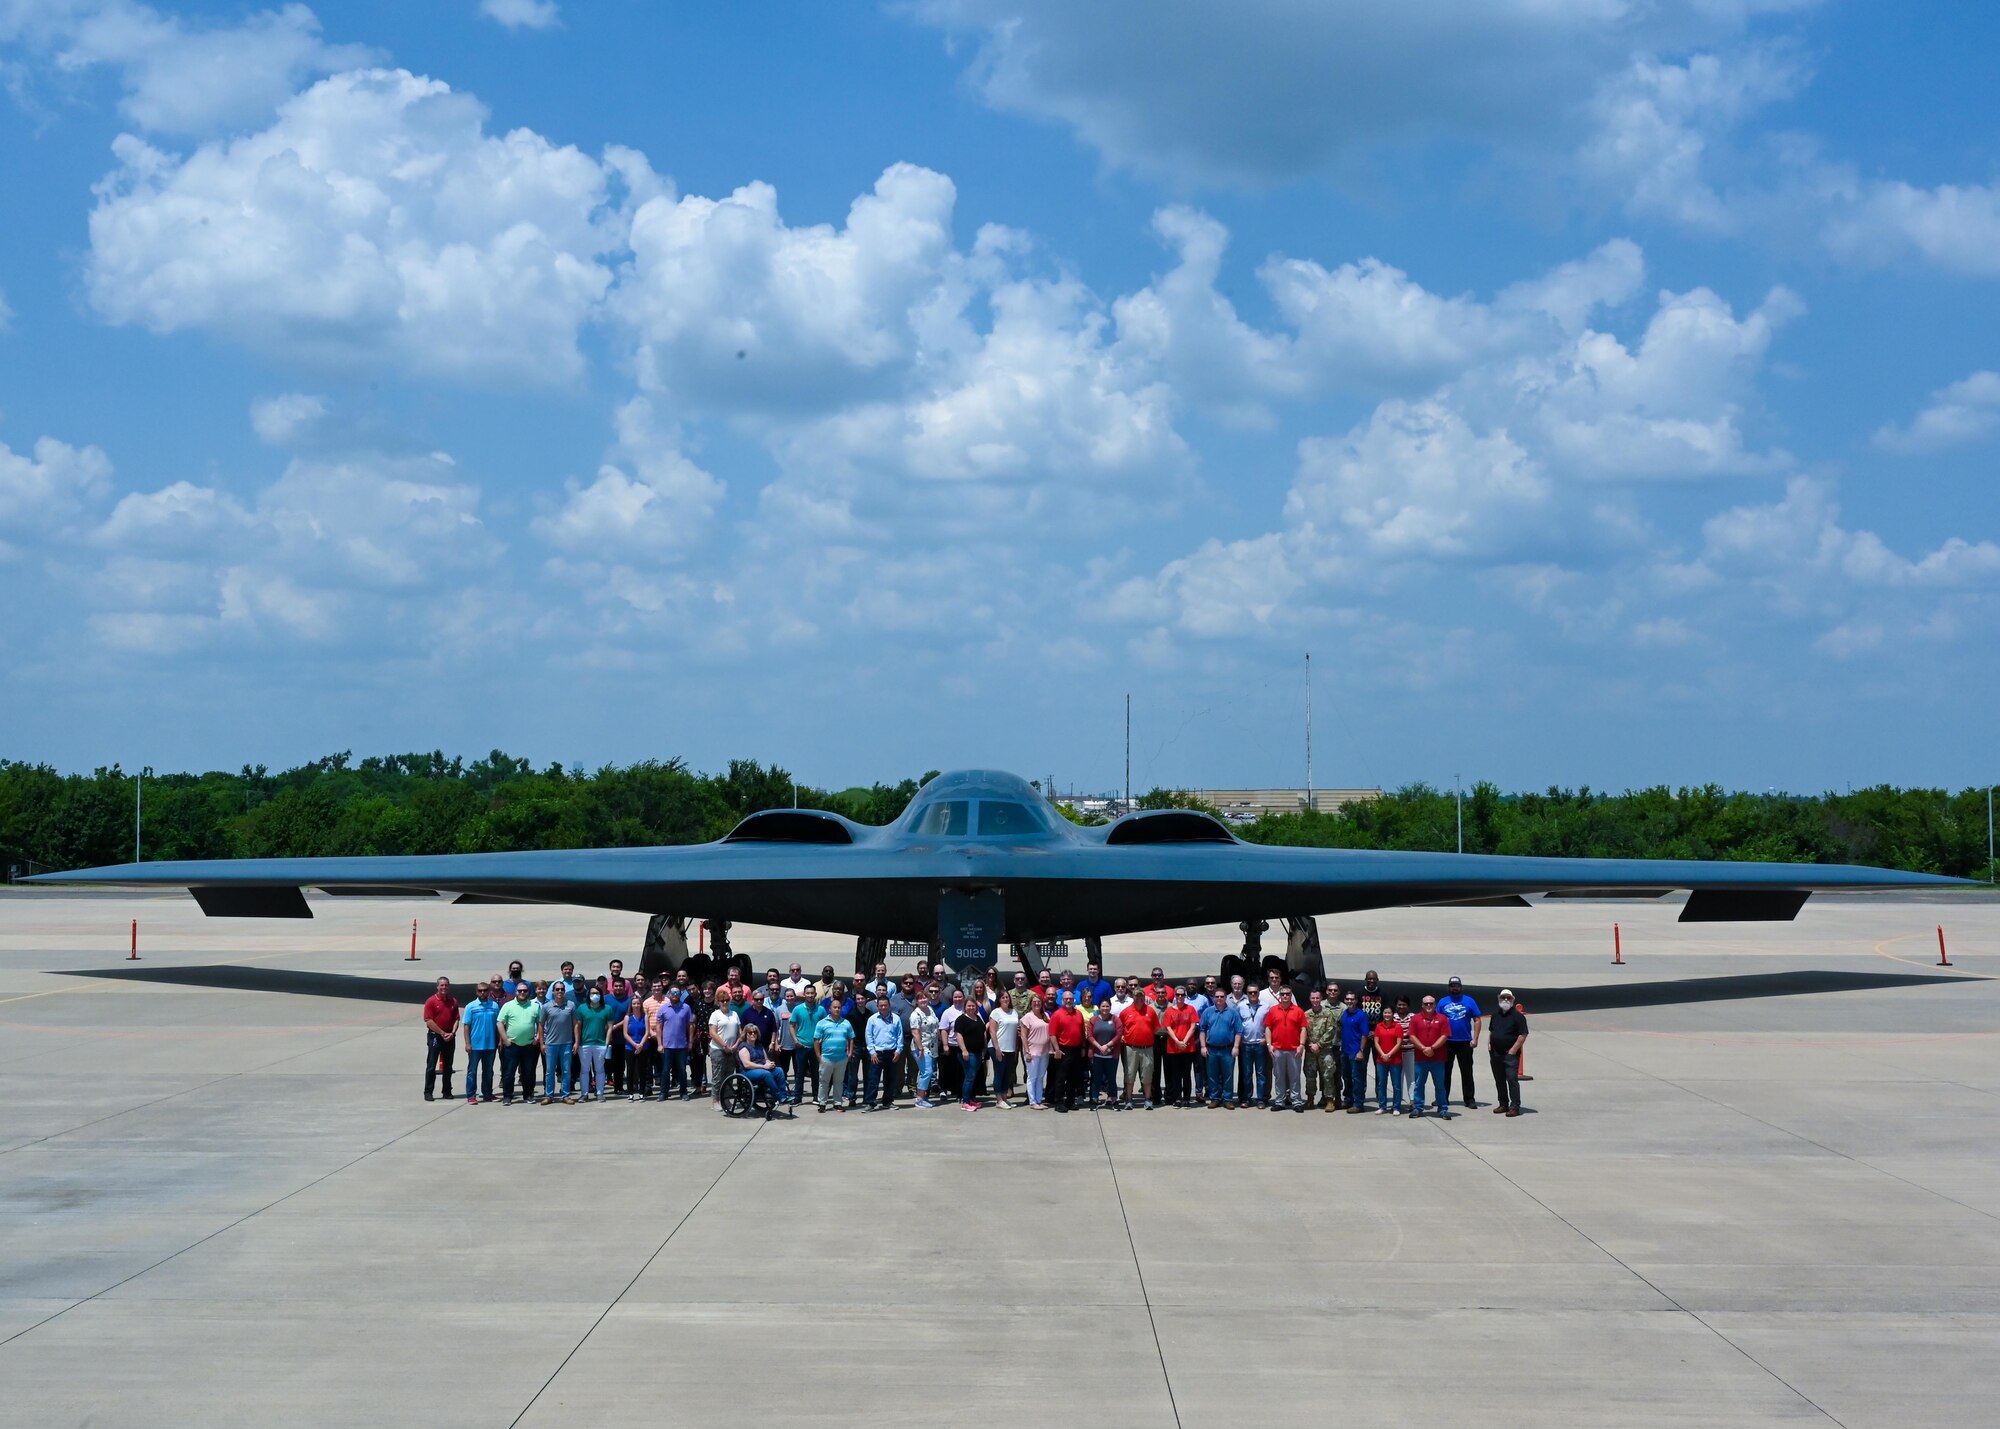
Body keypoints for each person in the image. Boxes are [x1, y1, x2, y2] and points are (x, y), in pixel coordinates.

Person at [1437, 977, 1484, 1109]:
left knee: (1467, 1071)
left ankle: (1469, 1099)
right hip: (1447, 1042)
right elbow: (1436, 1021)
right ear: (1448, 987)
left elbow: (1477, 1020)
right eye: (1452, 985)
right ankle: (1443, 1098)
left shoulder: (1469, 1001)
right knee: (1445, 1072)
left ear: (1461, 987)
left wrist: (1475, 1038)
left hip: (1465, 1042)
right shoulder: (1442, 1002)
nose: (1454, 988)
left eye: (1457, 985)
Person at [1262, 986, 1309, 1111]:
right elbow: (1268, 1028)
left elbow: (1303, 1028)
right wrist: (1269, 1044)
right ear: (1280, 996)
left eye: (1287, 994)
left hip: (1294, 1050)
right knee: (1279, 1076)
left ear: (1291, 995)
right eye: (1282, 994)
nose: (1285, 996)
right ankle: (1280, 1101)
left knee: (1294, 1077)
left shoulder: (1298, 1011)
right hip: (1277, 1049)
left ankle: (1296, 1101)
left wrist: (1302, 1045)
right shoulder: (1273, 1011)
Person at [1408, 994, 1452, 1118]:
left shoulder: (1442, 1018)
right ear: (1422, 1005)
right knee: (1419, 1084)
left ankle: (1442, 1108)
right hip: (1421, 1058)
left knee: (1440, 1085)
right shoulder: (1415, 1019)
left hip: (1438, 1058)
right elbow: (1412, 1036)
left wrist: (1432, 1048)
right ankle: (1418, 1107)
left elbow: (1444, 1036)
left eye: (1431, 1003)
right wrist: (1423, 1048)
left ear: (1435, 1005)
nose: (1428, 1006)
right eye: (1426, 1003)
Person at [497, 983, 541, 1104]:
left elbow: (541, 1023)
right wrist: (505, 1039)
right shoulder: (508, 1006)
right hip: (512, 1046)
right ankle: (507, 1096)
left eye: (525, 991)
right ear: (516, 992)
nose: (522, 993)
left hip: (529, 1046)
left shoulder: (535, 1006)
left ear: (528, 992)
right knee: (509, 1073)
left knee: (528, 1073)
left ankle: (528, 1095)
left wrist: (537, 1037)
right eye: (520, 991)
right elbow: (500, 1023)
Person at [1488, 989, 1528, 1117]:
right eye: (1503, 997)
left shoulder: (1518, 1016)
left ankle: (1515, 1106)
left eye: (1508, 998)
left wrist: (1513, 1050)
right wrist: (1489, 1044)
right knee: (1499, 1080)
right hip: (1495, 1053)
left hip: (1509, 1054)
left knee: (1511, 1080)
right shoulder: (1495, 1014)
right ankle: (1503, 1104)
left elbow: (1523, 1034)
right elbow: (1491, 1030)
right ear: (1499, 999)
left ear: (1512, 1000)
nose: (1506, 1000)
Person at [538, 982, 579, 1104]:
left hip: (566, 1043)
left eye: (562, 989)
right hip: (551, 1044)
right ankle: (549, 1095)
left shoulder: (571, 1005)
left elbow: (575, 1024)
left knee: (566, 1070)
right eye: (557, 989)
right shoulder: (546, 1006)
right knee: (550, 1071)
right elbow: (540, 1025)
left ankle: (565, 1095)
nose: (559, 991)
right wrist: (542, 1043)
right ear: (553, 992)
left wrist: (576, 1042)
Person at [813, 995, 855, 1113]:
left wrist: (850, 1053)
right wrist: (818, 1056)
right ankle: (822, 1103)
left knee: (839, 1082)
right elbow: (816, 1040)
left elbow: (851, 1038)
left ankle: (837, 1103)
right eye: (835, 1007)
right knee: (824, 1082)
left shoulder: (846, 1023)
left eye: (839, 1007)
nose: (837, 1009)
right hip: (826, 1058)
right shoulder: (822, 1023)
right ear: (830, 1009)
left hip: (841, 1058)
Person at [1198, 994, 1240, 1107]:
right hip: (1212, 1049)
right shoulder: (1207, 1012)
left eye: (1222, 996)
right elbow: (1202, 1030)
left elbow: (1238, 1031)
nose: (1219, 998)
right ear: (1214, 998)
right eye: (1217, 997)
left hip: (1228, 1049)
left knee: (1228, 1075)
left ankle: (1227, 1099)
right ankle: (1214, 1098)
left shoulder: (1233, 1012)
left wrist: (1236, 1047)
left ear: (1226, 997)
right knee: (1212, 1075)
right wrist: (1203, 1046)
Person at [1117, 994, 1158, 1110]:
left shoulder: (1150, 1011)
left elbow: (1156, 1027)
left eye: (1141, 997)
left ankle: (1147, 1100)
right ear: (1133, 997)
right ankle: (1129, 1100)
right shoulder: (1125, 1012)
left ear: (1144, 997)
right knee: (1129, 1074)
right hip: (1131, 1048)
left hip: (1147, 1048)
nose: (1139, 999)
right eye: (1137, 996)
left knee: (1147, 1075)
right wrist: (1122, 1036)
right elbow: (1120, 1028)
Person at [461, 981, 500, 1104]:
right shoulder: (470, 1006)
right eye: (480, 990)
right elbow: (466, 1026)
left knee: (488, 1071)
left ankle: (487, 1093)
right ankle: (471, 1095)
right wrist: (468, 1043)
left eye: (485, 990)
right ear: (476, 992)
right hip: (475, 1045)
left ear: (489, 991)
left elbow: (498, 1025)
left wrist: (499, 1041)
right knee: (472, 1071)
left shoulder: (494, 1006)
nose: (482, 992)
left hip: (490, 1045)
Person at [1304, 989, 1342, 1112]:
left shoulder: (1328, 1013)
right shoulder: (1306, 1014)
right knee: (1310, 1075)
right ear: (1310, 999)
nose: (1315, 1000)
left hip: (1325, 1050)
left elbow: (1331, 1030)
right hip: (1310, 1051)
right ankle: (1310, 1098)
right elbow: (1303, 1031)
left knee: (1328, 1075)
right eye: (1313, 998)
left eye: (1317, 998)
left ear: (1321, 999)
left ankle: (1330, 1100)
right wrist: (1310, 1044)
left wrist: (1319, 1045)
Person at [422, 976, 459, 1101]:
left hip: (450, 1037)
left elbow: (456, 1019)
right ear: (437, 987)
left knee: (448, 1066)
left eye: (446, 985)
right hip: (435, 1037)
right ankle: (428, 1092)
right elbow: (428, 1021)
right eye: (441, 985)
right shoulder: (431, 1001)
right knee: (431, 1065)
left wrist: (452, 1033)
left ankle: (447, 1091)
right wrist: (442, 1033)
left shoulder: (453, 1001)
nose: (444, 987)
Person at [1048, 992, 1086, 1113]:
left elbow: (1082, 1033)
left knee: (1073, 1078)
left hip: (1076, 1049)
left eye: (1070, 999)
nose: (1068, 1001)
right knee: (1061, 1077)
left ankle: (1070, 1101)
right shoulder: (1057, 1015)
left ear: (1074, 1000)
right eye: (1066, 999)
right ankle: (1058, 1102)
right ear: (1062, 1000)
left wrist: (1083, 1047)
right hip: (1063, 1049)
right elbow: (1052, 1034)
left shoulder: (1078, 1013)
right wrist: (1057, 1049)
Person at [864, 995, 904, 1110]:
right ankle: (870, 1102)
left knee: (891, 1079)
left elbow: (899, 1036)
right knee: (873, 1079)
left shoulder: (896, 1018)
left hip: (892, 1053)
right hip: (877, 1054)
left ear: (889, 1006)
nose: (883, 1007)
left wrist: (898, 1050)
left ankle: (887, 1101)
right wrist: (872, 1052)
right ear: (877, 1006)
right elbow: (869, 1036)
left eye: (885, 1005)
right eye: (881, 1005)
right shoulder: (872, 1019)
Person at [1162, 990, 1201, 1107]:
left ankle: (1187, 1098)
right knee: (1175, 1074)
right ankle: (1177, 1098)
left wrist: (1184, 1041)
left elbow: (1193, 1026)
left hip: (1188, 1048)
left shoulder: (1190, 1009)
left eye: (1182, 995)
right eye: (1177, 995)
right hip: (1173, 1048)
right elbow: (1168, 1027)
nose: (1180, 997)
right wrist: (1177, 1041)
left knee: (1186, 1074)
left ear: (1185, 996)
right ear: (1175, 996)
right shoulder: (1169, 1011)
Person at [576, 985, 614, 1101]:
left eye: (597, 993)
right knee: (584, 1070)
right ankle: (584, 1093)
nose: (594, 995)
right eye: (592, 993)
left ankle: (600, 1093)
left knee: (600, 1070)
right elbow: (578, 1026)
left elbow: (610, 1027)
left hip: (600, 1044)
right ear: (588, 995)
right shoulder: (582, 1008)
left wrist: (606, 1044)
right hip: (585, 1044)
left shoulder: (607, 1009)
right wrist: (578, 1043)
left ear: (601, 995)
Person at [735, 1025, 787, 1108]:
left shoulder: (759, 1046)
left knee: (779, 1070)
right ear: (746, 1034)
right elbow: (747, 1064)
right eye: (750, 1032)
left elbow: (766, 1059)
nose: (753, 1034)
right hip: (747, 1072)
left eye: (755, 1032)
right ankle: (779, 1096)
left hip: (761, 1069)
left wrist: (769, 1063)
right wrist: (764, 1067)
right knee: (766, 1073)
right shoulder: (743, 1047)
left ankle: (784, 1095)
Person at [656, 988, 694, 1100]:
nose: (675, 995)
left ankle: (683, 1092)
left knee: (682, 1070)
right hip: (667, 1045)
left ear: (680, 994)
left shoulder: (686, 1008)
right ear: (669, 994)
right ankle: (664, 1092)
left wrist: (690, 1042)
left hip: (682, 1045)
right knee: (665, 1070)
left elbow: (690, 1026)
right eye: (673, 993)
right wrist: (659, 1043)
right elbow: (659, 1027)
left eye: (677, 993)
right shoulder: (663, 1008)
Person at [616, 992, 655, 1100]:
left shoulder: (645, 1017)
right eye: (634, 1004)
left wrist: (641, 1044)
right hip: (630, 1047)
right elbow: (625, 1034)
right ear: (631, 1005)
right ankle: (630, 1093)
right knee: (630, 1070)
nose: (636, 1005)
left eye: (638, 1003)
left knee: (643, 1070)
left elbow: (647, 1032)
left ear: (640, 1005)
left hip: (643, 1047)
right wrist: (634, 1044)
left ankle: (642, 1092)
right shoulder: (628, 1018)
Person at [1339, 991, 1372, 1113]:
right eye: (1347, 999)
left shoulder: (1361, 1015)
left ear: (1356, 1000)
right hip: (1345, 1051)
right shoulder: (1345, 1014)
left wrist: (1361, 1051)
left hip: (1356, 1051)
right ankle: (1349, 1099)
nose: (1349, 1001)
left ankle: (1358, 1103)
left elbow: (1364, 1035)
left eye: (1352, 999)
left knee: (1357, 1078)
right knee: (1346, 1077)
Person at [707, 993, 742, 1109]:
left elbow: (739, 1032)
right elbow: (713, 1033)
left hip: (732, 1050)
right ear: (718, 1002)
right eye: (722, 1001)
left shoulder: (734, 1014)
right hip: (718, 1050)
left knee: (729, 1076)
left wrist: (736, 1045)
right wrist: (724, 1046)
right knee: (718, 1076)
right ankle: (716, 1100)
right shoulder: (715, 1015)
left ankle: (726, 1100)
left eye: (727, 1000)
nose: (725, 1003)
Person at [1371, 1003, 1407, 1114]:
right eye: (1385, 1013)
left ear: (1393, 1014)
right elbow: (1376, 1042)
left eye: (1389, 1013)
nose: (1387, 1015)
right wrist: (1383, 1054)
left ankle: (1396, 1107)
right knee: (1381, 1084)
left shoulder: (1398, 1027)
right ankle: (1382, 1106)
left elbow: (1399, 1043)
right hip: (1381, 1060)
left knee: (1396, 1084)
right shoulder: (1378, 1026)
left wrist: (1389, 1054)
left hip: (1395, 1060)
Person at [786, 988, 820, 1104]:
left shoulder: (820, 1010)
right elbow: (791, 1025)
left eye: (812, 993)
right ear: (804, 995)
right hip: (802, 1046)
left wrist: (822, 1041)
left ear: (815, 994)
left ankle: (816, 1096)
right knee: (800, 1073)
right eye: (808, 993)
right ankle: (797, 1097)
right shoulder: (798, 1009)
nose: (810, 995)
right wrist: (795, 1040)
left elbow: (825, 1026)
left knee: (816, 1072)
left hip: (816, 1047)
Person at [909, 988, 941, 1107]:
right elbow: (915, 1032)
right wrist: (920, 1048)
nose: (923, 1000)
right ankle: (919, 1099)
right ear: (916, 1001)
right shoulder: (915, 1014)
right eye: (920, 998)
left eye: (925, 997)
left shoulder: (930, 1010)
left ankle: (923, 1096)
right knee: (926, 1072)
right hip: (921, 1048)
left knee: (928, 1071)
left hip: (932, 1046)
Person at [952, 998, 987, 1109]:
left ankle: (971, 1099)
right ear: (965, 1007)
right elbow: (959, 1035)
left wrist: (984, 1048)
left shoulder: (978, 1018)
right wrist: (964, 1050)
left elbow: (982, 1033)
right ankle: (966, 1101)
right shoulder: (961, 1019)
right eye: (969, 1006)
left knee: (972, 1076)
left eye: (973, 1006)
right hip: (968, 1053)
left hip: (977, 1052)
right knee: (969, 1076)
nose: (971, 1008)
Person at [1087, 998, 1121, 1109]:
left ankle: (1113, 1098)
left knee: (1111, 1078)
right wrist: (1099, 1047)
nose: (1105, 1008)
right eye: (1103, 1006)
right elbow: (1090, 1035)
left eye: (1107, 1006)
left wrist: (1108, 1045)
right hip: (1097, 1054)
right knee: (1096, 1078)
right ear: (1099, 1007)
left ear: (1110, 1007)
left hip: (1111, 1055)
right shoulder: (1094, 1020)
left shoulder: (1116, 1020)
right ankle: (1095, 1099)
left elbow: (1119, 1034)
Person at [1237, 995, 1270, 1107]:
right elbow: (1238, 1024)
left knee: (1261, 1073)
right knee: (1247, 1073)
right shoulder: (1241, 1006)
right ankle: (1246, 1099)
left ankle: (1261, 1099)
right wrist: (1239, 1040)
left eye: (1255, 992)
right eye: (1250, 992)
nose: (1252, 994)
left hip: (1260, 1044)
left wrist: (1266, 1039)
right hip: (1246, 1045)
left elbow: (1269, 1024)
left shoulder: (1265, 1006)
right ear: (1247, 994)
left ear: (1258, 994)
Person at [988, 994, 1020, 1107]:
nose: (1006, 999)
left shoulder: (1014, 1012)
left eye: (1007, 997)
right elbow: (992, 1031)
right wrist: (997, 1048)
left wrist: (1016, 1048)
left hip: (1010, 1048)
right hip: (997, 1047)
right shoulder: (996, 1012)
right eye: (1003, 998)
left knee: (1007, 1074)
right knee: (999, 1073)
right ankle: (999, 1100)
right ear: (999, 1000)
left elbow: (1016, 1031)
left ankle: (1005, 1097)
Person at [1021, 996, 1052, 1108]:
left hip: (1044, 1052)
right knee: (1032, 1077)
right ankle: (1033, 1101)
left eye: (1038, 1002)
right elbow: (1023, 1036)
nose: (1037, 1004)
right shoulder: (1027, 1017)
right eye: (1034, 1002)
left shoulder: (1045, 1016)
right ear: (1031, 1003)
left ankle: (1039, 1100)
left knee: (1040, 1077)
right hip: (1032, 1052)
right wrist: (1027, 1052)